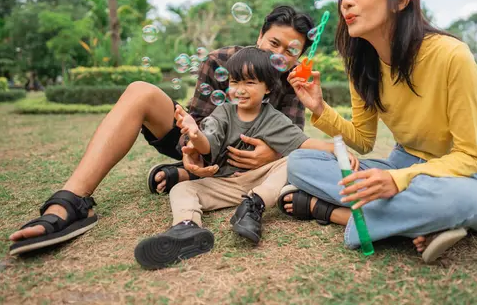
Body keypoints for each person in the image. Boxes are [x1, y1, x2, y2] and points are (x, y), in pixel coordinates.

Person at [9, 5, 315, 256]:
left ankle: (181, 175)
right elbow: (198, 121)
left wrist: (272, 152)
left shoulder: (294, 82)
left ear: (300, 55)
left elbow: (293, 143)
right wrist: (192, 149)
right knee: (139, 91)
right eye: (274, 43)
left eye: (292, 50)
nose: (281, 56)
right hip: (200, 144)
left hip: (247, 166)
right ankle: (72, 201)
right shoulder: (221, 61)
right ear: (259, 35)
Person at [279, 0, 477, 263]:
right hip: (401, 165)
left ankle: (333, 213)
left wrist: (399, 181)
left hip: (461, 176)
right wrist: (319, 108)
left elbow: (469, 157)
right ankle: (417, 223)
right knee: (301, 163)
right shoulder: (362, 64)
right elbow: (361, 140)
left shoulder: (453, 56)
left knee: (467, 202)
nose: (346, 0)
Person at [134, 47, 358, 269]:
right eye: (234, 82)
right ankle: (186, 227)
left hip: (259, 181)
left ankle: (254, 205)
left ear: (268, 87)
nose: (240, 89)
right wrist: (194, 133)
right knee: (181, 190)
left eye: (249, 83)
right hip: (225, 182)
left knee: (294, 159)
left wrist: (337, 149)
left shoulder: (274, 119)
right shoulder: (222, 112)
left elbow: (305, 144)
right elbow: (205, 146)